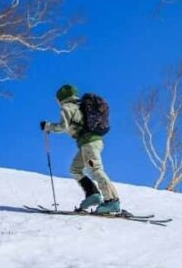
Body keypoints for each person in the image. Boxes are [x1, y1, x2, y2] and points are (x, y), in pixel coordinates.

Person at [40, 84, 121, 215]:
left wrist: (47, 126)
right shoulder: (80, 105)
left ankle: (112, 201)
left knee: (96, 170)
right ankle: (93, 195)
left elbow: (62, 127)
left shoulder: (67, 108)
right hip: (91, 143)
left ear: (61, 98)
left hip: (89, 143)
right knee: (75, 169)